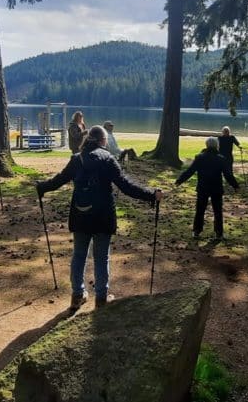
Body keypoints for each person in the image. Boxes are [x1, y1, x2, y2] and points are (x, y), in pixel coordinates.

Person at [36, 126, 162, 309]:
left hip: (81, 214)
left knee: (79, 256)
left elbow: (58, 181)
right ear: (103, 140)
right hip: (103, 216)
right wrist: (151, 194)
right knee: (102, 257)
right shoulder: (108, 159)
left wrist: (42, 187)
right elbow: (126, 186)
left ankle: (77, 295)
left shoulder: (76, 160)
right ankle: (101, 298)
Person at [175, 137, 240, 241]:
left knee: (200, 210)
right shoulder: (221, 159)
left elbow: (190, 171)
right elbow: (228, 175)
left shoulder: (200, 157)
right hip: (216, 188)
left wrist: (179, 180)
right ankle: (219, 234)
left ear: (206, 145)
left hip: (203, 187)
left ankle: (196, 231)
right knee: (217, 211)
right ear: (216, 146)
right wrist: (235, 185)